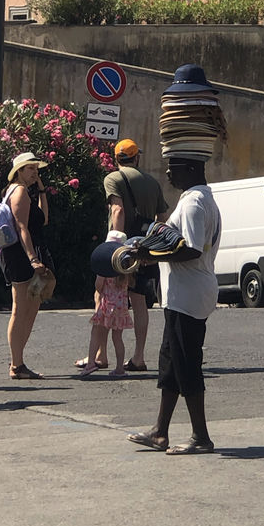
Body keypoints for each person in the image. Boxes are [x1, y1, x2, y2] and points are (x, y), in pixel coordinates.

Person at [127, 157, 221, 455]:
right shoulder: (199, 198)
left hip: (189, 294)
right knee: (170, 363)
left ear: (191, 168)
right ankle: (160, 431)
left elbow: (190, 250)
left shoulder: (194, 203)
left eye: (174, 166)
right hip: (185, 293)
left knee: (185, 363)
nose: (167, 171)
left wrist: (151, 256)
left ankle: (201, 437)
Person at [102, 138, 168, 371]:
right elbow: (162, 219)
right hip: (145, 248)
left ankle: (101, 354)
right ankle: (138, 357)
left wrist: (114, 245)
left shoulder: (113, 178)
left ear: (116, 158)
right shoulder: (151, 182)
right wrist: (154, 247)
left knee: (105, 295)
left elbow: (117, 209)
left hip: (122, 249)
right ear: (136, 157)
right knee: (140, 303)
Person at [0, 152, 53, 380]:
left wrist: (41, 189)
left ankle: (18, 361)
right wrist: (33, 259)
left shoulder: (24, 192)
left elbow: (44, 219)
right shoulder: (19, 191)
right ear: (18, 171)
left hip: (26, 254)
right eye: (30, 168)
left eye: (36, 169)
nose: (34, 172)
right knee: (20, 310)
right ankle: (16, 364)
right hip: (22, 256)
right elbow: (22, 228)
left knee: (31, 308)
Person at [79, 231, 134, 379]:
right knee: (117, 338)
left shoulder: (104, 267)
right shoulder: (125, 268)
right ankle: (119, 368)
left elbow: (98, 285)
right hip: (121, 306)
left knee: (96, 333)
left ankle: (91, 362)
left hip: (107, 305)